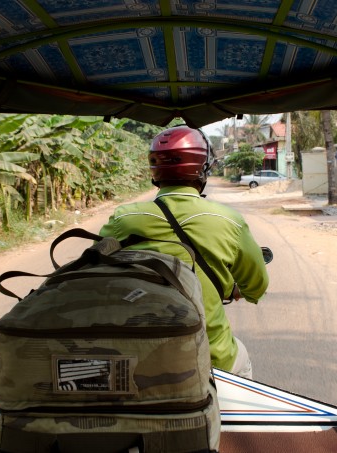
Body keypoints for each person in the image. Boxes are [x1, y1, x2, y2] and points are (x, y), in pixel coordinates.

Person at [99, 125, 269, 378]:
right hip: (211, 357)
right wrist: (236, 291)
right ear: (202, 169)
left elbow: (96, 270)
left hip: (136, 357)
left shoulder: (124, 218)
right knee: (240, 363)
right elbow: (257, 286)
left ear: (155, 171)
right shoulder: (229, 220)